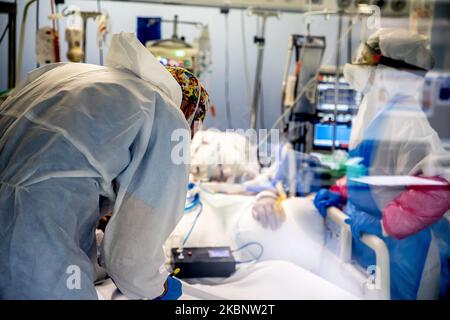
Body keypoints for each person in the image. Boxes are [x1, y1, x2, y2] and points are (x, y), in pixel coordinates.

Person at [0, 32, 210, 299]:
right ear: (189, 114)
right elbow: (131, 258)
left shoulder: (68, 74)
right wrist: (158, 287)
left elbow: (62, 168)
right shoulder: (167, 117)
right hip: (38, 255)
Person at [313, 28, 450, 299]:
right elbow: (370, 173)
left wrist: (387, 225)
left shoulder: (408, 123)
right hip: (376, 248)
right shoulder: (376, 117)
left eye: (370, 61)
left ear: (393, 74)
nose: (363, 70)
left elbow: (438, 187)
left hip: (405, 253)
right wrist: (342, 192)